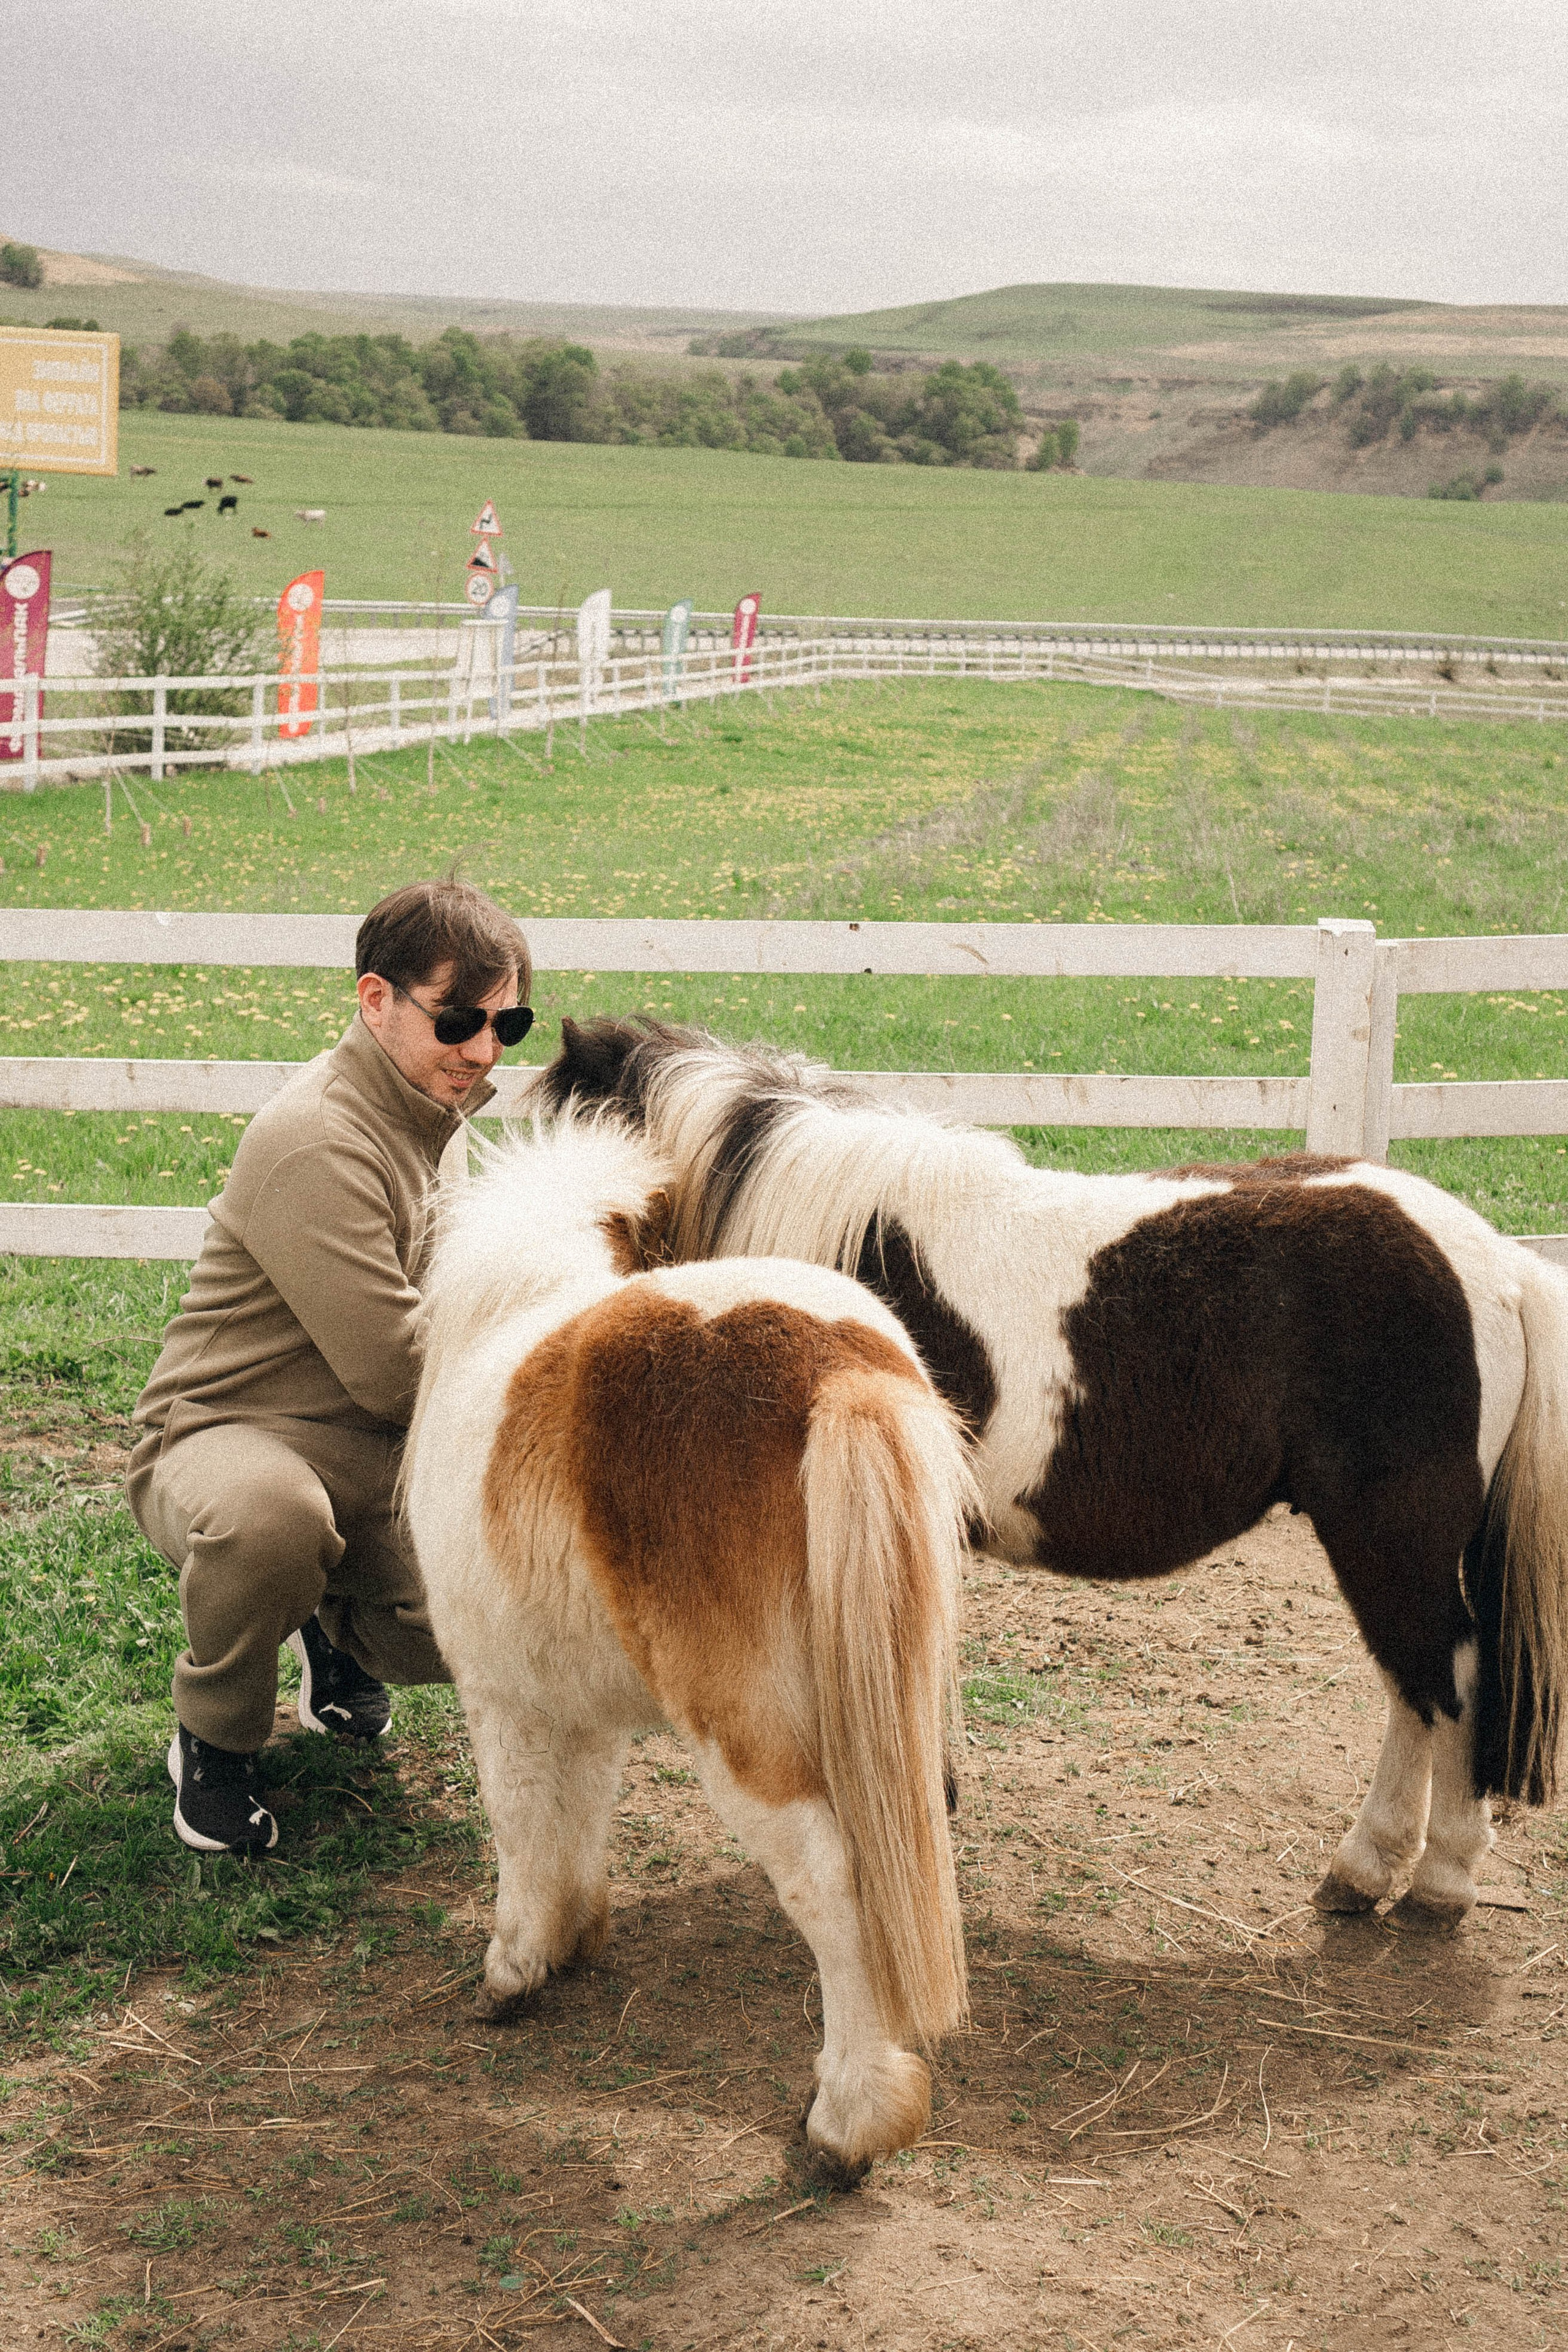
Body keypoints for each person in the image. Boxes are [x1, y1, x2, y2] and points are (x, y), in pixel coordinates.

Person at [127, 879, 533, 1856]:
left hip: (372, 1450)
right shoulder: (317, 1139)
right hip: (229, 1434)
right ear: (375, 1000)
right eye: (459, 1019)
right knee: (273, 1522)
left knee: (486, 1620)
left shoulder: (431, 1118)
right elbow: (396, 1370)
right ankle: (215, 1742)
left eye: (507, 1021)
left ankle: (328, 1629)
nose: (483, 1049)